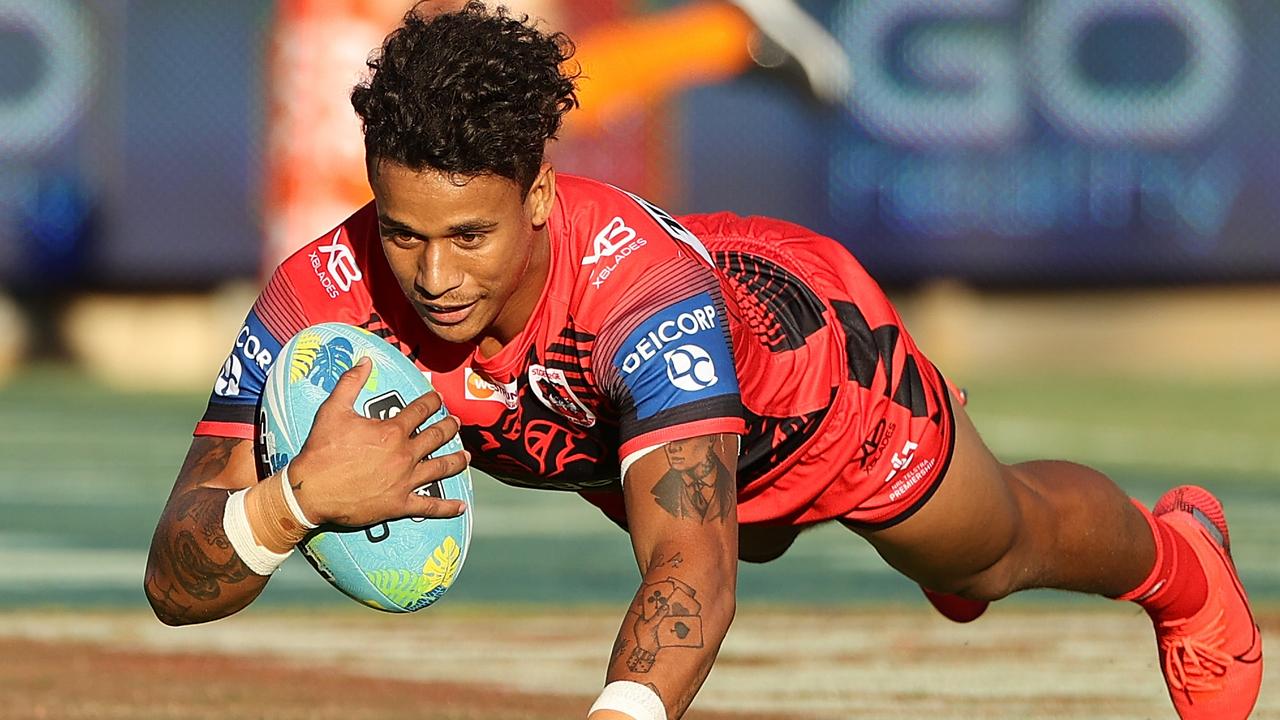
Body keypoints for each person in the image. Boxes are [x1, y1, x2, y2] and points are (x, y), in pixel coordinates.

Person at [144, 4, 1263, 720]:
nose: (432, 275)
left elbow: (691, 574)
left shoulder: (642, 297)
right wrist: (287, 504)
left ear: (536, 197)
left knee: (988, 554)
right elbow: (173, 579)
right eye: (403, 231)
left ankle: (1180, 561)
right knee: (757, 536)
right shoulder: (314, 294)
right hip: (613, 437)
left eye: (470, 236)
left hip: (812, 377)